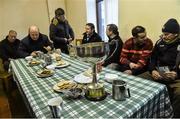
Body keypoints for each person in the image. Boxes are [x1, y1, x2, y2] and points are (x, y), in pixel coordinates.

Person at [139, 18, 180, 117]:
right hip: (158, 72)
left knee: (179, 94)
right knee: (139, 79)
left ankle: (173, 115)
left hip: (176, 77)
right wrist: (152, 70)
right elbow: (152, 59)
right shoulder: (159, 43)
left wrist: (177, 74)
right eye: (163, 34)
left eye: (166, 34)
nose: (163, 36)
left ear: (175, 34)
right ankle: (146, 111)